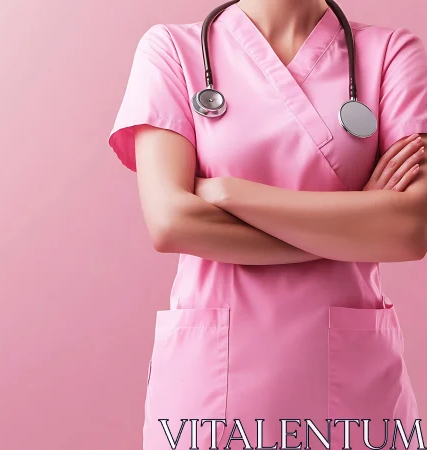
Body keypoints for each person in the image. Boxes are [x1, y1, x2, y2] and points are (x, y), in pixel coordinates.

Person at [107, 1, 427, 449]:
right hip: (211, 393)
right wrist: (355, 223)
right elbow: (171, 222)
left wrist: (231, 194)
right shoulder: (174, 51)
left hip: (355, 396)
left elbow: (409, 231)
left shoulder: (391, 53)